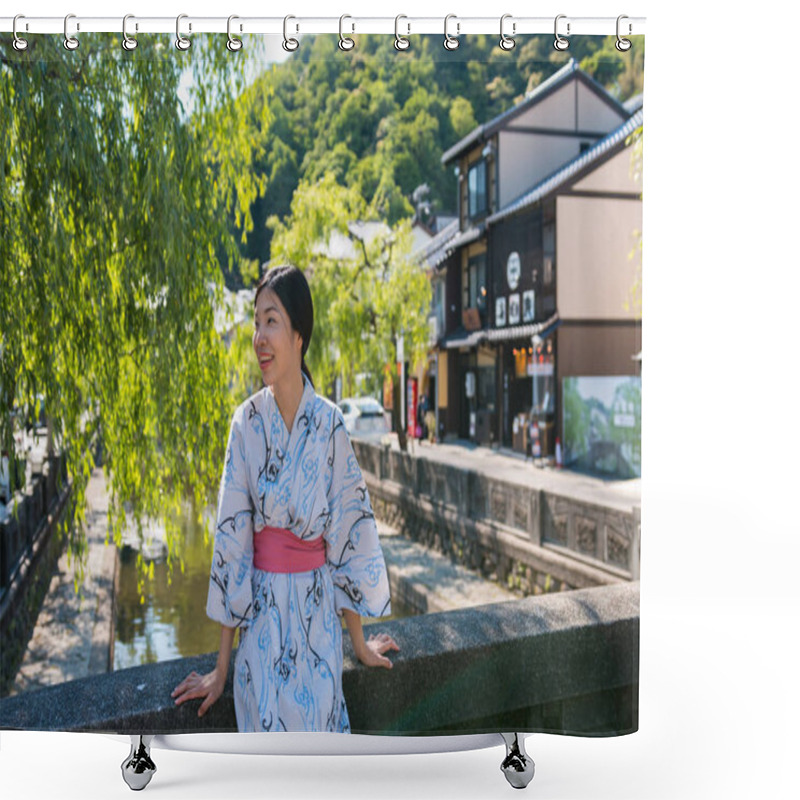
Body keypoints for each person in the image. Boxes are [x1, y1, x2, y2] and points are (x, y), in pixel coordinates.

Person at [172, 265, 399, 732]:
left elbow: (347, 538)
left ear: (299, 334)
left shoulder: (331, 424)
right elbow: (232, 544)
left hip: (318, 623)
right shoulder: (246, 423)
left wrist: (358, 645)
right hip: (262, 626)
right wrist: (221, 668)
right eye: (256, 322)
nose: (259, 336)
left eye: (271, 321)